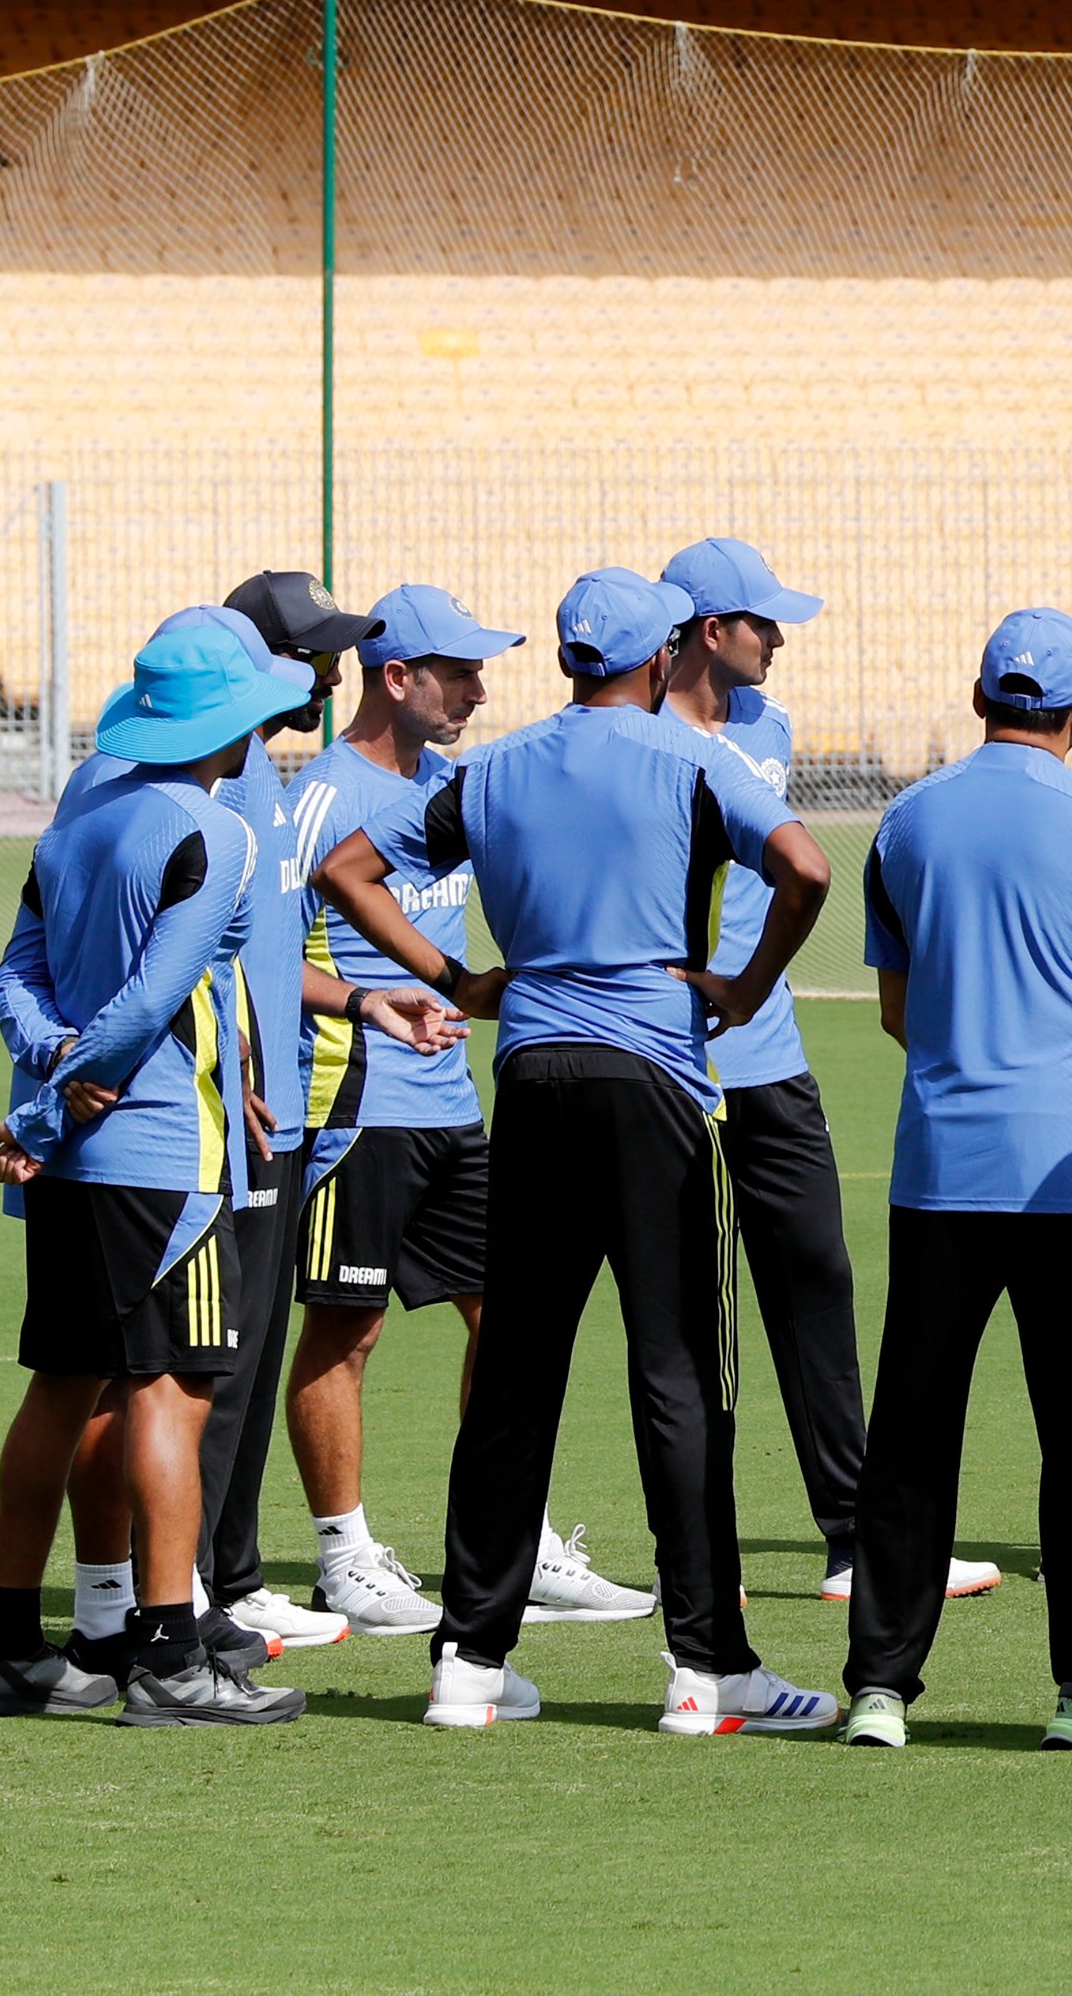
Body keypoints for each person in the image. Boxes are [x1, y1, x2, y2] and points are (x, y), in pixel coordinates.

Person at [316, 564, 841, 1735]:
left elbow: (345, 869)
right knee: (681, 1375)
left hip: (532, 1082)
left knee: (514, 1374)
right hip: (655, 1081)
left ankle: (468, 1661)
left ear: (565, 661)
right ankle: (709, 1670)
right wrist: (747, 989)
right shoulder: (695, 759)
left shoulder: (490, 771)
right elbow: (806, 869)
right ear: (659, 660)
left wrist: (460, 977)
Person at [0, 616, 446, 1723]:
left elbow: (14, 978)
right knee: (175, 1394)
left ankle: (14, 1649)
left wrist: (49, 1077)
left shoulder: (81, 818)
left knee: (60, 1388)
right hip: (170, 1163)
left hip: (84, 1164)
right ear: (230, 720)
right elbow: (157, 995)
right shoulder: (216, 829)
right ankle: (169, 1656)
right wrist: (64, 1097)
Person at [835, 609, 1072, 1754]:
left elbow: (896, 1006)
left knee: (912, 1432)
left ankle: (880, 1685)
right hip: (1069, 1169)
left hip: (939, 1159)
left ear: (978, 695)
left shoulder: (906, 820)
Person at [662, 537, 991, 1610]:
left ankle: (858, 1540)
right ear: (710, 631)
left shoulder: (770, 725)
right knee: (687, 1313)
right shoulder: (642, 736)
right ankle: (698, 1560)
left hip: (773, 1057)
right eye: (763, 623)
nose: (780, 639)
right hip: (670, 1067)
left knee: (817, 1280)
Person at [283, 585, 515, 1639]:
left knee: (506, 1313)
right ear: (395, 677)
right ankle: (344, 1555)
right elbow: (261, 956)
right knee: (348, 1327)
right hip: (353, 1100)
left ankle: (510, 1534)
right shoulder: (320, 801)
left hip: (450, 1100)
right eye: (456, 673)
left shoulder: (456, 784)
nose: (475, 691)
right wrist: (371, 1006)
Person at [193, 571, 379, 1655]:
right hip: (229, 1111)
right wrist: (240, 1064)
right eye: (316, 655)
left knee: (253, 1351)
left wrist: (359, 999)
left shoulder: (260, 767)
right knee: (215, 1362)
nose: (336, 672)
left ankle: (234, 1570)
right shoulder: (215, 782)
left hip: (277, 1108)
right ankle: (195, 1588)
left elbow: (269, 953)